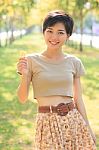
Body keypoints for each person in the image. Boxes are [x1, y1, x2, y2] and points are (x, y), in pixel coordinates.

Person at [17, 10, 96, 150]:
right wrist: (25, 75)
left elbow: (79, 99)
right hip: (47, 123)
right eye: (50, 31)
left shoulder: (74, 62)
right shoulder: (30, 60)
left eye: (60, 32)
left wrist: (88, 127)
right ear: (43, 32)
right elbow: (22, 99)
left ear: (68, 36)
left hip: (73, 120)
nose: (54, 36)